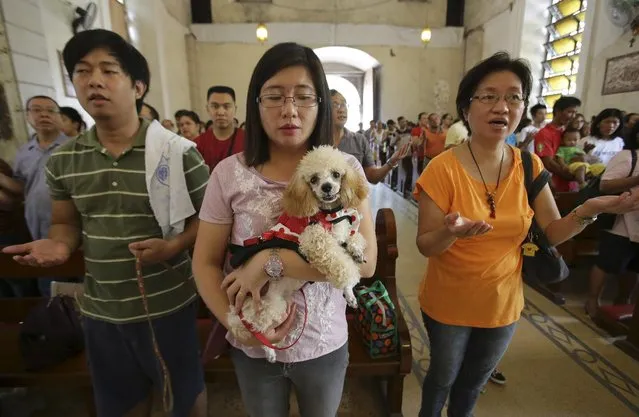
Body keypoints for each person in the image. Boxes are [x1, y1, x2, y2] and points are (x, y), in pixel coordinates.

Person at [413, 51, 639, 417]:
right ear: (466, 107)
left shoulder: (529, 165)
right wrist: (452, 233)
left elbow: (552, 232)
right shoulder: (443, 168)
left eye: (514, 96)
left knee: (472, 384)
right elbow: (425, 244)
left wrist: (590, 210)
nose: (502, 106)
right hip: (448, 301)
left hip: (503, 303)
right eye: (489, 96)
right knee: (442, 377)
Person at [3, 29, 210, 417]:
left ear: (137, 87)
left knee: (184, 398)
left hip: (167, 306)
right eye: (82, 71)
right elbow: (65, 224)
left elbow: (212, 221)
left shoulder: (176, 153)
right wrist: (59, 246)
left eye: (108, 70)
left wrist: (175, 246)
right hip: (102, 310)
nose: (94, 80)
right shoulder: (65, 161)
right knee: (120, 404)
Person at [192, 42, 378, 417]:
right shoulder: (229, 174)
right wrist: (237, 326)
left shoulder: (345, 170)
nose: (290, 110)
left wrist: (270, 261)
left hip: (324, 344)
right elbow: (205, 263)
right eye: (275, 96)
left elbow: (367, 262)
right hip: (253, 344)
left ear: (321, 104)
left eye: (304, 97)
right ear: (256, 104)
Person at [9, 96, 71, 296]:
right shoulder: (24, 152)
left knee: (78, 283)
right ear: (27, 116)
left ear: (60, 117)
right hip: (38, 228)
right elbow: (21, 188)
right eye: (36, 110)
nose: (43, 114)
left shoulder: (74, 148)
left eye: (50, 110)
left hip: (72, 228)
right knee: (50, 287)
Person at [585, 122, 639, 318]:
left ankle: (622, 302)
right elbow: (606, 185)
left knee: (633, 266)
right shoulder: (627, 156)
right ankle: (593, 299)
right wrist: (636, 179)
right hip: (620, 220)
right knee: (607, 262)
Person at [330, 89, 410, 184]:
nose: (341, 110)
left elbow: (372, 177)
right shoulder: (314, 138)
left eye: (344, 104)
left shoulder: (359, 140)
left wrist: (391, 162)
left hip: (353, 198)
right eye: (335, 105)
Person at [534, 96, 582, 192]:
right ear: (558, 111)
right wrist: (573, 176)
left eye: (575, 113)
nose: (573, 116)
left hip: (572, 186)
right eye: (570, 112)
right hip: (554, 185)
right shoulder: (544, 134)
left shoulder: (567, 132)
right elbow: (548, 163)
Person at [194, 85, 245, 171]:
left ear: (235, 109)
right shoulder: (198, 144)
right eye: (215, 106)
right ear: (207, 109)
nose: (221, 112)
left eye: (226, 106)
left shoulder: (249, 141)